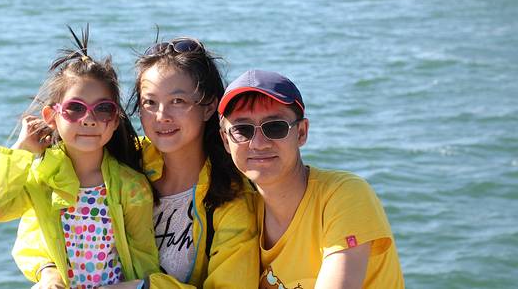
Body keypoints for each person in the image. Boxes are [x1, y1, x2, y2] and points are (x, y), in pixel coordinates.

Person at [0, 26, 159, 288]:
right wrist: (22, 150)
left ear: (115, 120)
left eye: (103, 109)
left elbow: (144, 259)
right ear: (51, 116)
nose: (89, 119)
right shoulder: (42, 177)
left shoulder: (131, 186)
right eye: (75, 108)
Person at [218, 70, 404, 289]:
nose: (258, 143)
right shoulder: (239, 212)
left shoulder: (346, 195)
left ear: (301, 132)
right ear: (225, 140)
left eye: (275, 127)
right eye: (242, 130)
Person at [117, 37, 259, 288]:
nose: (161, 116)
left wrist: (144, 287)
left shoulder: (231, 196)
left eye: (177, 101)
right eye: (150, 102)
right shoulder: (124, 160)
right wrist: (48, 269)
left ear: (209, 107)